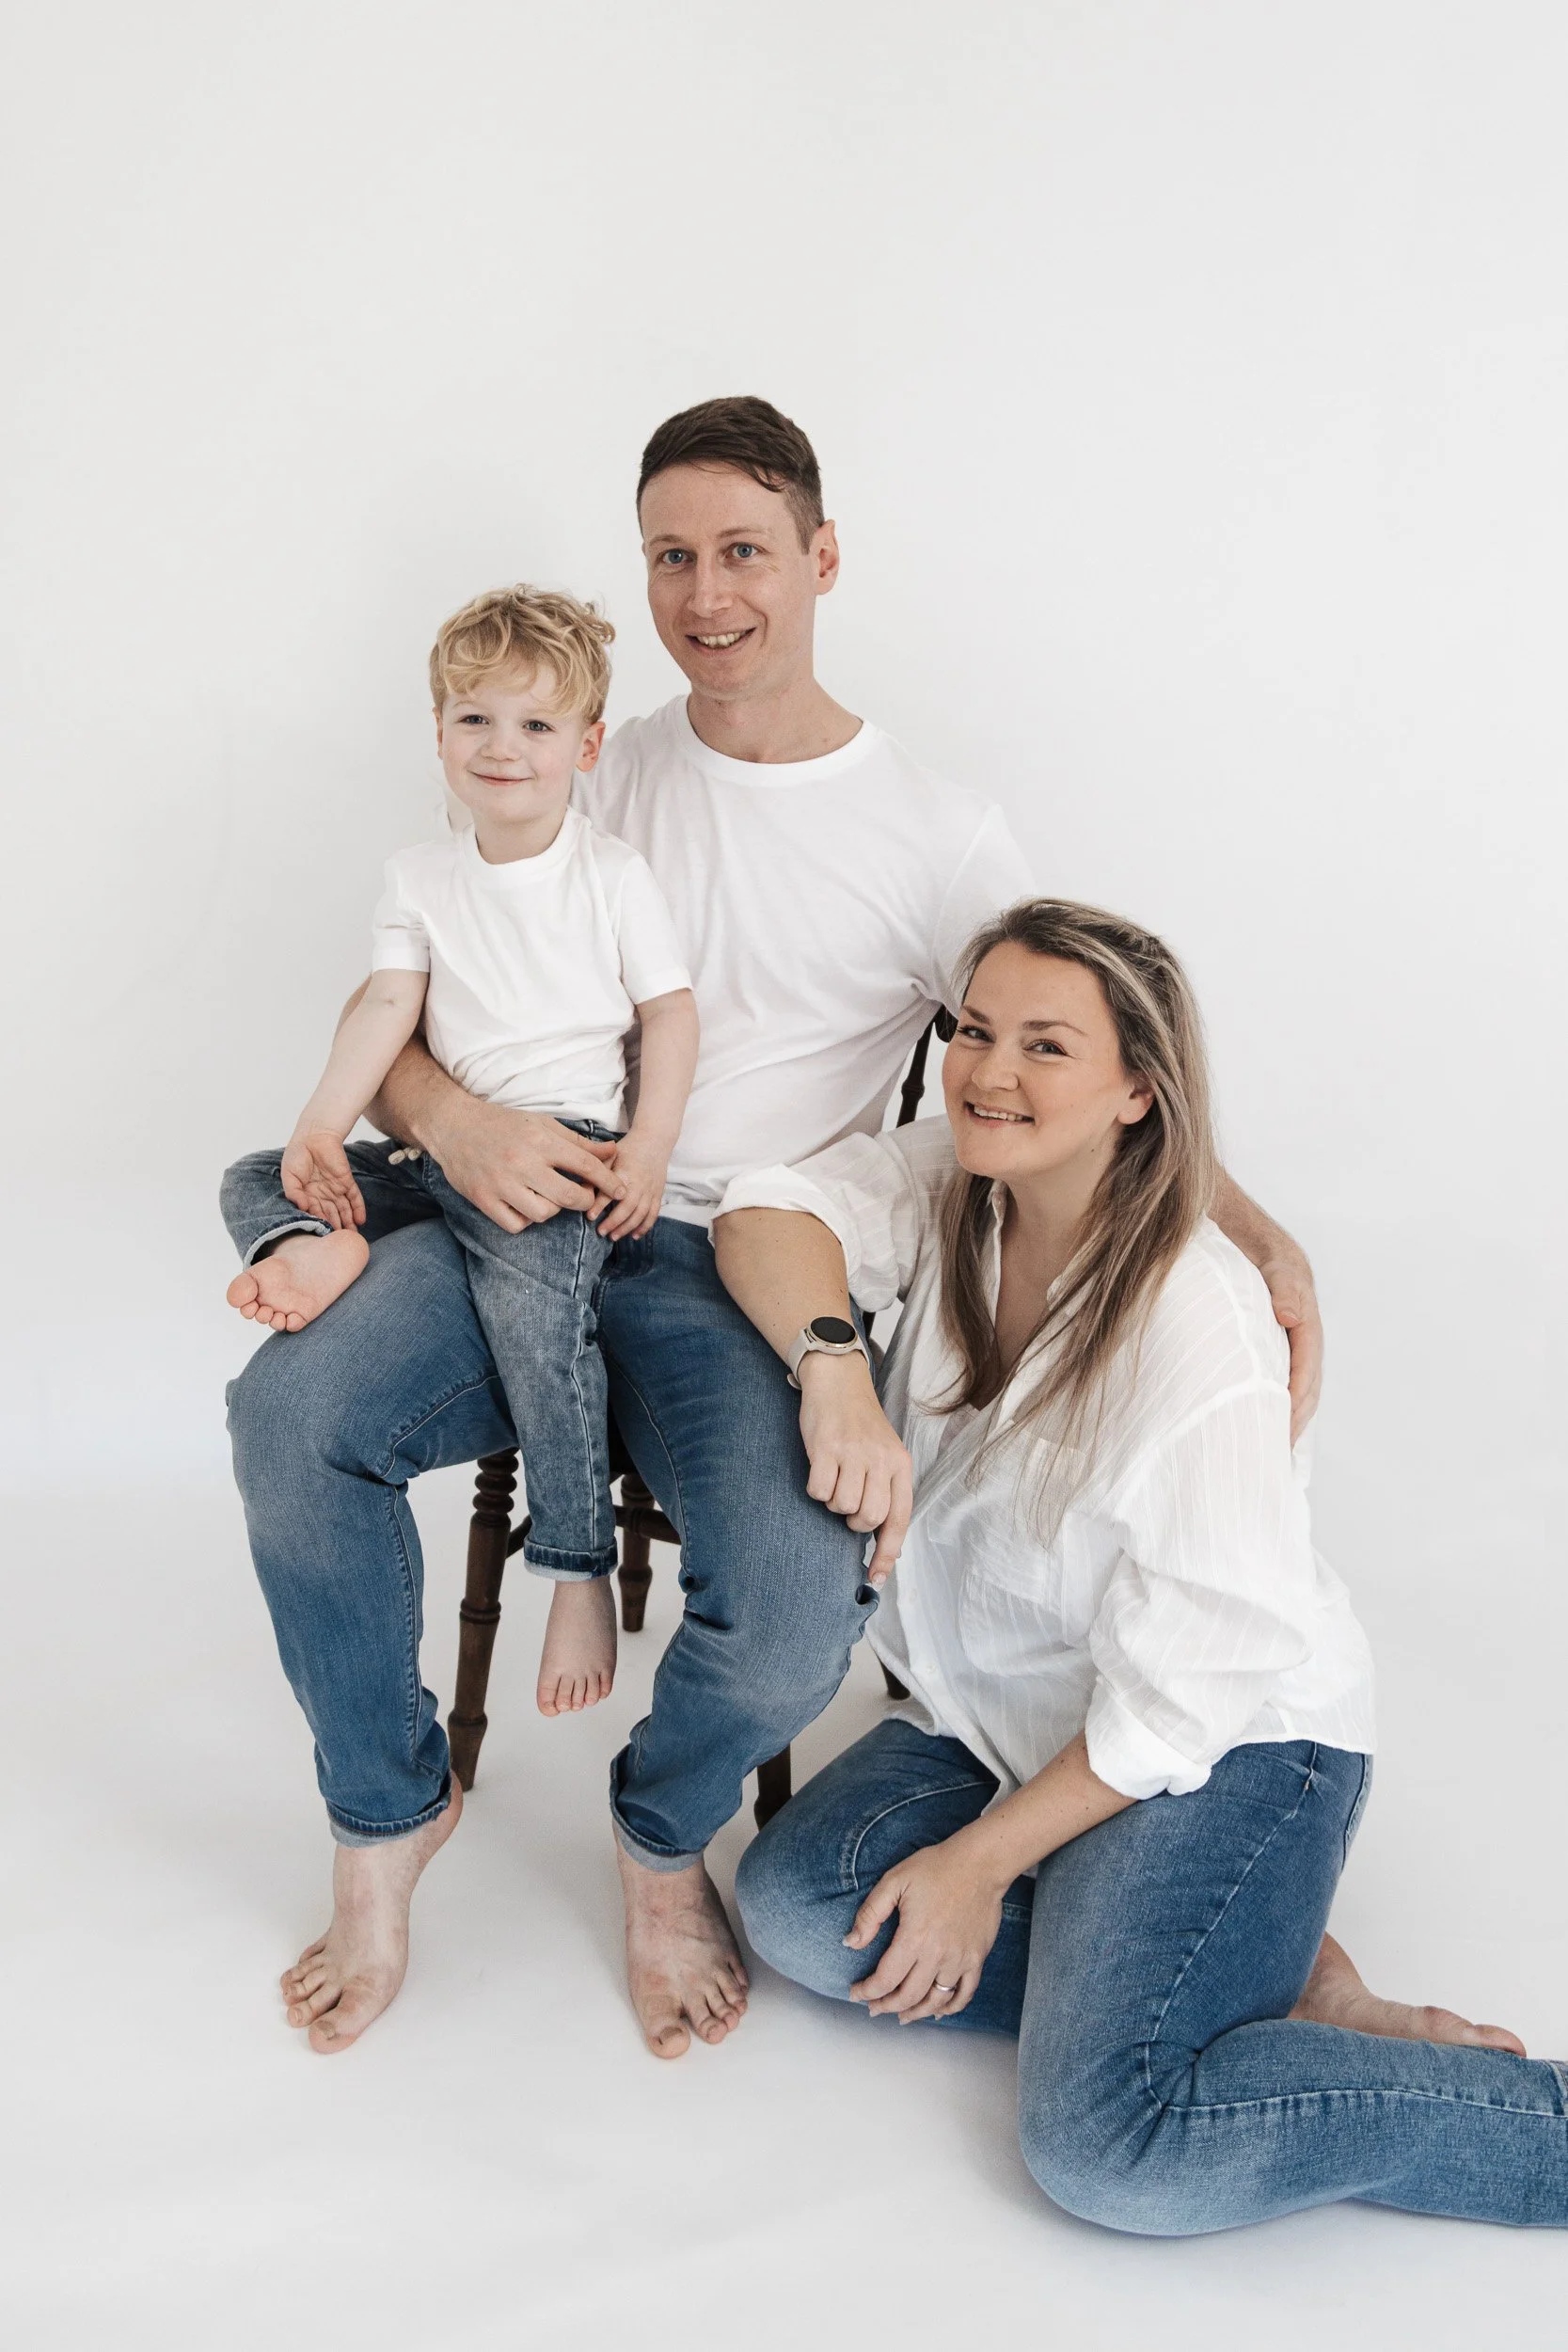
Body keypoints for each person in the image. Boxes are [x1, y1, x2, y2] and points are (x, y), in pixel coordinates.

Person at [223, 396, 1336, 2060]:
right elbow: (405, 1004)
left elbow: (1083, 1040)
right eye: (668, 556)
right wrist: (457, 1124)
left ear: (820, 558)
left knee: (804, 1598)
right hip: (516, 1211)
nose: (705, 592)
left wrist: (1247, 1223)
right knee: (289, 1410)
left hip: (736, 1263)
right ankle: (385, 1819)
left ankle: (658, 1838)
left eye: (741, 551)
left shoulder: (936, 833)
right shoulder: (588, 752)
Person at [716, 898, 1559, 2233]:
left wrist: (977, 1867)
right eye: (974, 1030)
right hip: (1006, 1711)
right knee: (799, 1908)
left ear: (1136, 1093)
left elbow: (1185, 1693)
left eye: (1045, 1046)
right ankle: (1247, 1980)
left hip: (1222, 1743)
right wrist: (833, 1371)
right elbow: (768, 1208)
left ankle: (1527, 2128)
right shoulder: (955, 1183)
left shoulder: (1200, 1322)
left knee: (1110, 2146)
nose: (990, 1071)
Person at [222, 585, 698, 1715]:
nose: (501, 747)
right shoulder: (419, 877)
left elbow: (670, 1015)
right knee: (252, 1173)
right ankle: (318, 1240)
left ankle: (575, 1570)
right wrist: (321, 1126)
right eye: (474, 718)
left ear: (586, 746)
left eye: (535, 725)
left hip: (563, 1160)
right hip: (445, 1157)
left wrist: (646, 1150)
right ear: (437, 731)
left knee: (543, 1340)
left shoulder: (610, 875)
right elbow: (390, 1005)